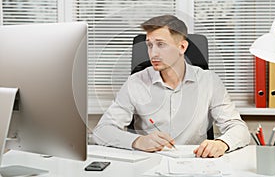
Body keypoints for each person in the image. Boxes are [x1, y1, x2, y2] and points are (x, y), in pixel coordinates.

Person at [93, 15, 250, 158]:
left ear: (182, 47)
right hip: (148, 164)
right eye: (149, 45)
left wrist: (222, 143)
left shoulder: (209, 81)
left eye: (161, 45)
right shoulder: (136, 82)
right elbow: (102, 132)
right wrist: (139, 141)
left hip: (195, 163)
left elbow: (239, 129)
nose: (153, 53)